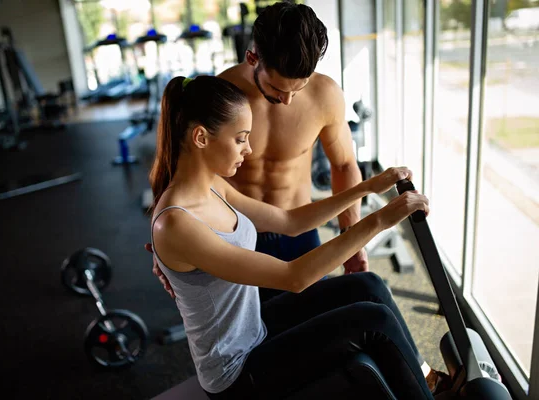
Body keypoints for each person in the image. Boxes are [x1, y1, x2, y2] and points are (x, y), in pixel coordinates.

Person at [148, 75, 450, 399]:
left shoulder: (212, 186)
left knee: (370, 287)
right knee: (372, 322)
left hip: (255, 328)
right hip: (234, 371)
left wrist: (366, 187)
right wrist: (380, 220)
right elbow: (294, 277)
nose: (248, 150)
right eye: (240, 139)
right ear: (201, 138)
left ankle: (428, 383)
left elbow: (290, 221)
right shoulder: (177, 224)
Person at [151, 1, 368, 303]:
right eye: (278, 90)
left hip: (298, 230)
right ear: (252, 58)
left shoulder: (325, 95)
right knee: (255, 336)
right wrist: (164, 247)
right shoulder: (220, 95)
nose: (289, 100)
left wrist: (351, 237)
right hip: (232, 236)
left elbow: (344, 165)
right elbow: (181, 168)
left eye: (298, 88)